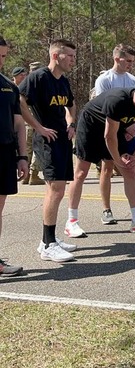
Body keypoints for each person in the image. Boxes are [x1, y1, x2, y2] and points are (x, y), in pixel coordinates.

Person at [65, 85, 135, 238]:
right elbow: (108, 137)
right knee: (81, 173)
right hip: (91, 127)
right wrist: (118, 161)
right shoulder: (117, 101)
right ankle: (71, 222)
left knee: (130, 170)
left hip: (114, 129)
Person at [19, 39, 78, 262]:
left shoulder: (63, 81)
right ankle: (48, 245)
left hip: (62, 140)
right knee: (56, 191)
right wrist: (38, 127)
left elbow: (71, 104)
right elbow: (20, 100)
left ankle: (48, 239)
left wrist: (72, 123)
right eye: (70, 56)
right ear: (56, 56)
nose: (73, 60)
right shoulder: (39, 77)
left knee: (55, 192)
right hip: (46, 142)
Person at [0, 37, 29, 276]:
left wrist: (23, 156)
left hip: (5, 153)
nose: (1, 61)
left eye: (4, 56)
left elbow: (19, 124)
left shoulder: (10, 86)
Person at [14, 65, 44, 185]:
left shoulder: (23, 85)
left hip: (24, 123)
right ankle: (33, 174)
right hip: (33, 122)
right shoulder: (36, 85)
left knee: (27, 149)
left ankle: (27, 175)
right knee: (37, 148)